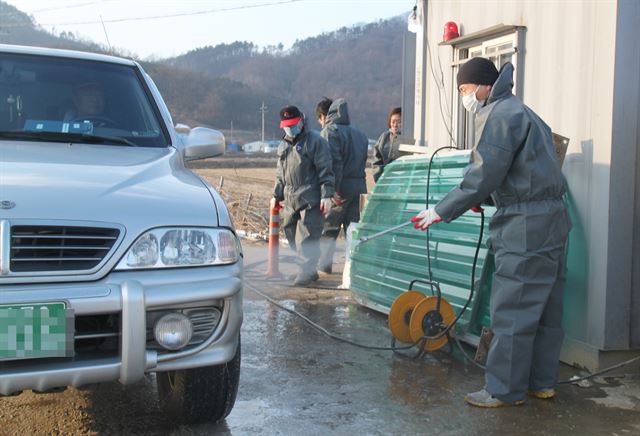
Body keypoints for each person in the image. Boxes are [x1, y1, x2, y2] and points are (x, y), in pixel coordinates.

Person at [413, 57, 571, 408]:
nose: (465, 98)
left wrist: (441, 210)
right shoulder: (524, 112)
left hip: (525, 224)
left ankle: (502, 390)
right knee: (546, 307)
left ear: (485, 85)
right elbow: (518, 168)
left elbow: (484, 172)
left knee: (513, 308)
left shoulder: (499, 115)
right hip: (554, 217)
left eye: (466, 90)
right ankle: (541, 383)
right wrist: (484, 198)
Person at [272, 105, 336, 286]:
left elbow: (326, 170)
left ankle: (305, 271)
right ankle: (308, 269)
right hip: (290, 196)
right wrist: (276, 195)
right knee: (290, 232)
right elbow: (280, 173)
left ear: (301, 121)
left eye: (293, 125)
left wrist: (327, 194)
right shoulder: (283, 145)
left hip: (311, 195)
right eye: (287, 126)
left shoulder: (315, 141)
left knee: (307, 236)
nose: (290, 129)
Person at [315, 97, 369, 274]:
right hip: (359, 187)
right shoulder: (360, 134)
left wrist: (333, 190)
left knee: (329, 229)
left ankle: (324, 266)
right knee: (354, 230)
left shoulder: (330, 132)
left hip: (341, 188)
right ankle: (355, 268)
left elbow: (334, 163)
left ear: (324, 116)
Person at [372, 107, 402, 183]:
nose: (395, 125)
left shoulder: (410, 136)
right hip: (386, 181)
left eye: (398, 122)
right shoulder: (384, 137)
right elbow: (377, 161)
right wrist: (380, 179)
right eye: (393, 122)